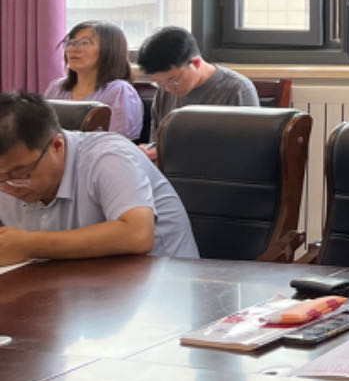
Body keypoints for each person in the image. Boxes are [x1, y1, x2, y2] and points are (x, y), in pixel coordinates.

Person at [0, 91, 198, 261]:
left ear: (57, 146)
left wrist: (30, 245)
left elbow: (138, 234)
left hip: (162, 281)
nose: (9, 187)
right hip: (72, 282)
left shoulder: (109, 156)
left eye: (21, 173)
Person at [136, 26, 258, 160]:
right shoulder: (163, 92)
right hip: (171, 171)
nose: (168, 89)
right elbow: (156, 143)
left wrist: (170, 153)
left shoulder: (238, 90)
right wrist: (150, 153)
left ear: (196, 63)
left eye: (173, 80)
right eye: (159, 83)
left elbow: (247, 153)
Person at [44, 20, 144, 140]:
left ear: (109, 49)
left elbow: (117, 142)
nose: (73, 49)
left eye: (84, 43)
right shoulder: (56, 88)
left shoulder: (119, 91)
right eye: (70, 43)